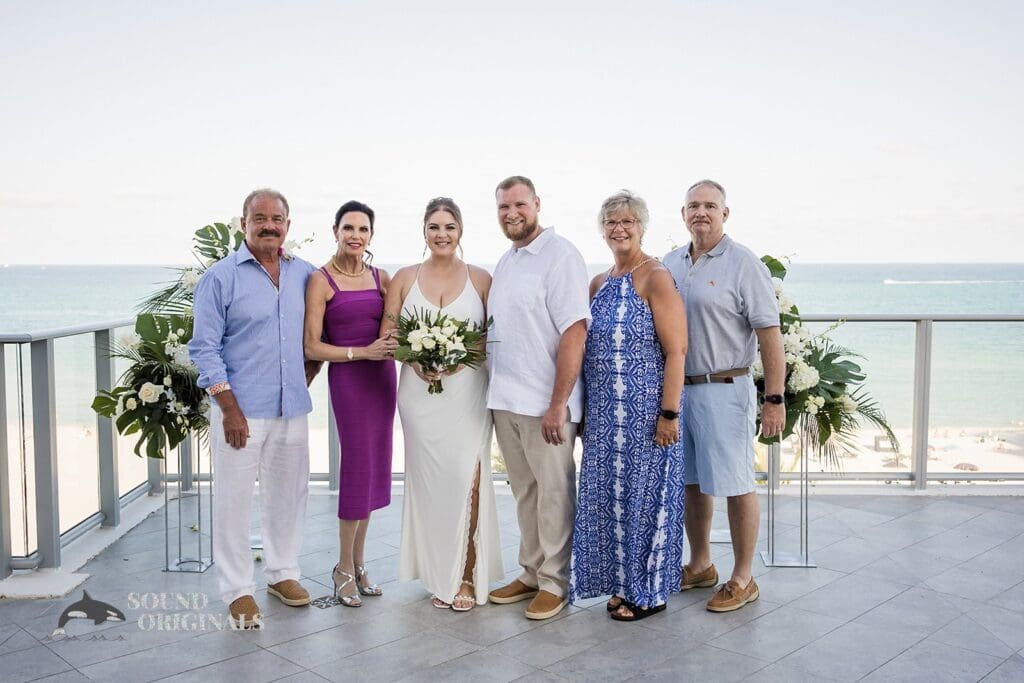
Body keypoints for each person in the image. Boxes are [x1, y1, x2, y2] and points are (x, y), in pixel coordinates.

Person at [190, 188, 317, 629]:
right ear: (243, 222)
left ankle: (282, 574)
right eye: (259, 217)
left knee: (289, 496)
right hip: (239, 411)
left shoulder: (306, 274)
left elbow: (317, 335)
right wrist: (229, 408)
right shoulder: (220, 278)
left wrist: (307, 377)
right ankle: (237, 589)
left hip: (292, 409)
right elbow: (204, 348)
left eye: (277, 218)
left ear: (288, 224)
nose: (269, 225)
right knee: (234, 502)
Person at [662, 179, 785, 613]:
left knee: (735, 484)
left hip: (725, 388)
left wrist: (775, 398)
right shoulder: (670, 263)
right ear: (682, 214)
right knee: (693, 484)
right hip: (680, 393)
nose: (701, 213)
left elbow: (769, 333)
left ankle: (743, 576)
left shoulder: (743, 263)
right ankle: (700, 565)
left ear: (725, 213)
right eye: (693, 205)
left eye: (710, 206)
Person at [570, 190, 687, 621]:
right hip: (605, 416)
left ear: (641, 226)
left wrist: (669, 413)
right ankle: (622, 586)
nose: (619, 228)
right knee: (612, 503)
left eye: (628, 221)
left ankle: (650, 592)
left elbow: (677, 350)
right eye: (611, 222)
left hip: (647, 414)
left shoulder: (656, 276)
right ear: (602, 229)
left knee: (647, 502)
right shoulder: (598, 283)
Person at [384, 197, 503, 612]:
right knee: (431, 487)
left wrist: (457, 359)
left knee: (467, 479)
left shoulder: (481, 279)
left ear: (461, 231)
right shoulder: (403, 278)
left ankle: (468, 574)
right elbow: (390, 336)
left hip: (467, 393)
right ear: (424, 231)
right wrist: (417, 360)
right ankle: (440, 574)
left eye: (449, 227)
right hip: (419, 397)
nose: (442, 234)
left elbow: (490, 338)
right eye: (434, 227)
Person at [486, 176, 590, 620]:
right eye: (503, 207)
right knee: (525, 492)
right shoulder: (507, 261)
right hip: (506, 400)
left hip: (545, 404)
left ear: (537, 205)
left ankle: (555, 581)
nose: (512, 213)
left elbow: (575, 331)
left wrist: (557, 404)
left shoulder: (560, 255)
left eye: (519, 205)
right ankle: (530, 571)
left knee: (554, 493)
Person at [303, 200, 398, 607]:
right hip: (350, 379)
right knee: (357, 470)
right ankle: (342, 568)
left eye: (362, 229)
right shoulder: (321, 280)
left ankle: (360, 565)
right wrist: (361, 353)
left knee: (375, 471)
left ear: (371, 236)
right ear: (335, 231)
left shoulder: (383, 278)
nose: (355, 235)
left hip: (382, 381)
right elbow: (312, 345)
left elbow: (391, 335)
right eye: (348, 228)